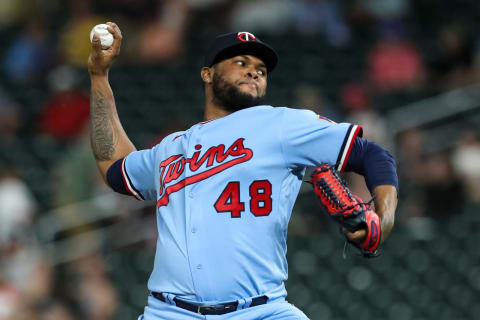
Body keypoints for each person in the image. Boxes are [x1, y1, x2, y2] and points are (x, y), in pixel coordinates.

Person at [88, 23, 398, 320]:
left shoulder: (282, 125)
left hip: (261, 311)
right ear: (207, 74)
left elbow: (371, 153)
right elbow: (113, 167)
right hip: (169, 312)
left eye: (261, 70)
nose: (254, 71)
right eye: (240, 62)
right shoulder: (170, 148)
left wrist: (384, 217)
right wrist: (99, 76)